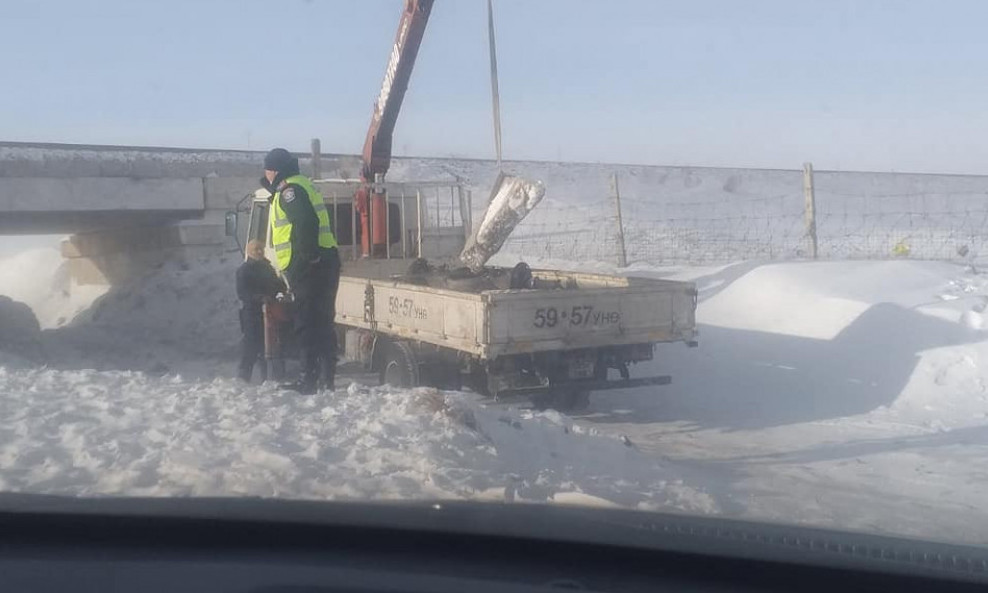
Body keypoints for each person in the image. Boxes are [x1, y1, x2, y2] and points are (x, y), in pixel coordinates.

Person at [261, 147, 341, 395]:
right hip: (327, 261)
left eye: (267, 169)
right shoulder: (303, 184)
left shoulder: (289, 191)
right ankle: (326, 379)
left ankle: (308, 379)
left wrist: (307, 257)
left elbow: (306, 222)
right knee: (323, 322)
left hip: (309, 267)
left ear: (273, 170)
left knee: (306, 322)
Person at [236, 239, 286, 383]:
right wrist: (259, 298)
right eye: (256, 249)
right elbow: (242, 293)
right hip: (252, 313)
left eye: (261, 249)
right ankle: (244, 377)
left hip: (270, 312)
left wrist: (282, 288)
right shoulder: (244, 270)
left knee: (271, 346)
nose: (259, 252)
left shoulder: (268, 268)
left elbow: (278, 285)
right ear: (249, 252)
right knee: (251, 345)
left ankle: (271, 377)